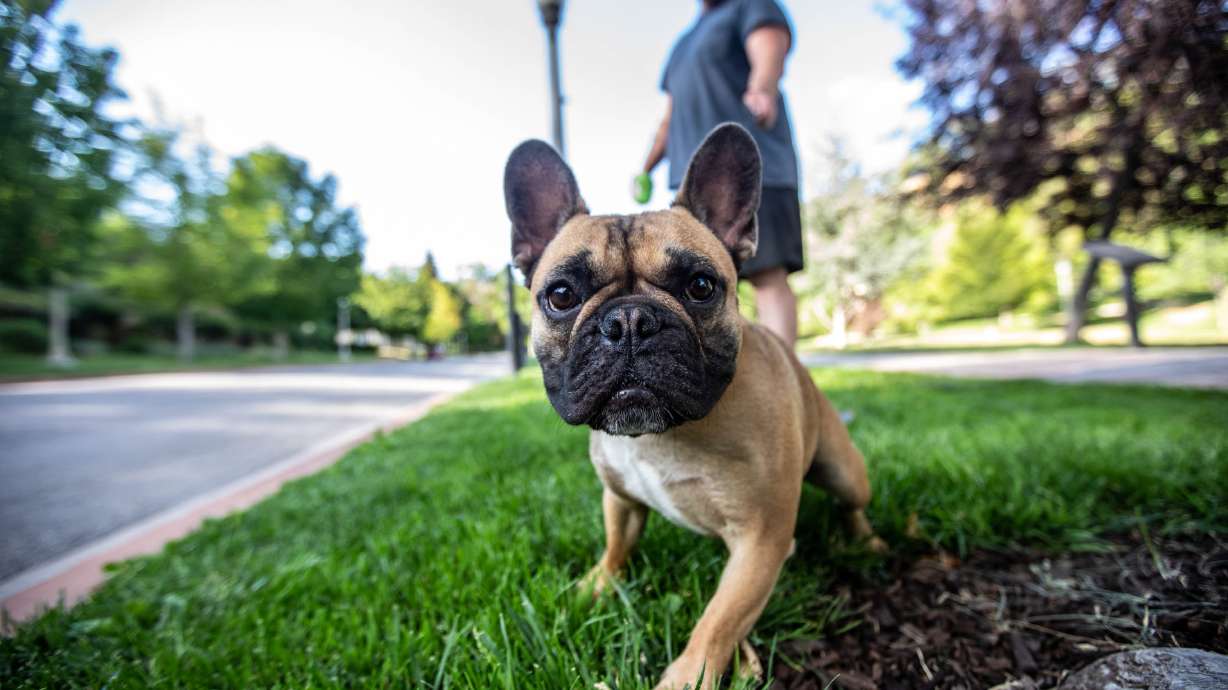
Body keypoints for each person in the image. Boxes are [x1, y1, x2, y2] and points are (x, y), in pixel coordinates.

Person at [638, 0, 802, 345]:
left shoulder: (748, 5)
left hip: (749, 170)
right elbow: (669, 117)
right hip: (687, 186)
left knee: (766, 274)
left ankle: (786, 380)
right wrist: (647, 165)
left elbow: (770, 40)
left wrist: (762, 86)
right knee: (699, 283)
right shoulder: (682, 44)